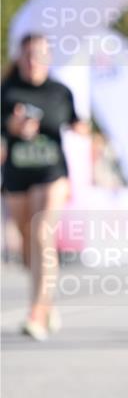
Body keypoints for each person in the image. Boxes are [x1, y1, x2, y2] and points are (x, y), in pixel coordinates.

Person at [1, 34, 86, 339]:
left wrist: (84, 130)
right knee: (27, 244)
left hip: (52, 173)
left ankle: (36, 312)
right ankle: (46, 303)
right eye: (27, 55)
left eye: (38, 55)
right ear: (19, 58)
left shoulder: (59, 91)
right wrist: (13, 128)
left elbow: (76, 122)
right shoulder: (7, 90)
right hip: (17, 174)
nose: (33, 61)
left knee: (42, 233)